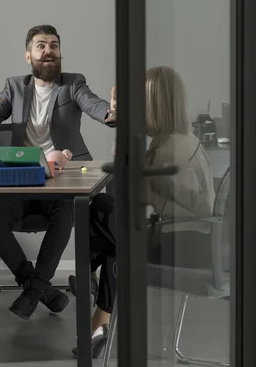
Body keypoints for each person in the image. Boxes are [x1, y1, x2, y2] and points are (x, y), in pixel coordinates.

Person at [70, 65, 215, 358]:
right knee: (113, 236)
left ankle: (88, 272)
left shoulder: (171, 151)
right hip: (181, 234)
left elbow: (202, 208)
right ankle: (100, 318)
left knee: (97, 207)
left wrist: (146, 192)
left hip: (183, 241)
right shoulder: (175, 138)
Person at [0, 25, 116, 320]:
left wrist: (111, 113)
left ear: (60, 53)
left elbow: (93, 104)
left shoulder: (73, 84)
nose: (48, 51)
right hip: (20, 179)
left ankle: (34, 290)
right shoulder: (14, 87)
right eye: (41, 46)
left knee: (64, 215)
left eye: (53, 45)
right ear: (28, 55)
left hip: (61, 179)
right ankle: (40, 287)